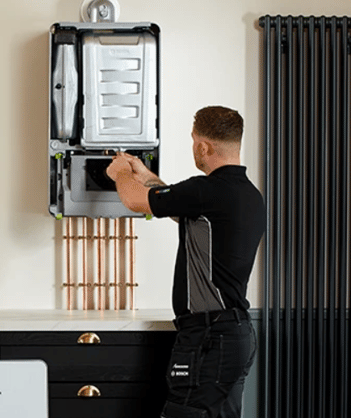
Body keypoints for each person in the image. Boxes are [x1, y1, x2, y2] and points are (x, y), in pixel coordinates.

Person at [105, 106, 266, 418]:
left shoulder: (205, 190)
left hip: (208, 335)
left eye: (194, 141)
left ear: (203, 146)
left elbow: (136, 201)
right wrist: (143, 172)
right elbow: (174, 202)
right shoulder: (248, 194)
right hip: (236, 335)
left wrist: (121, 173)